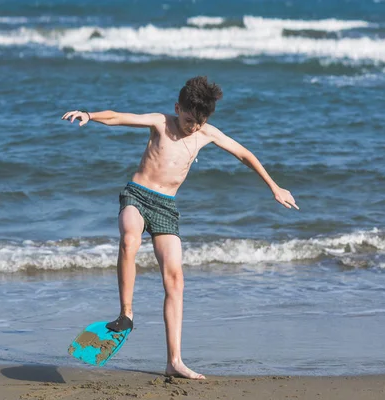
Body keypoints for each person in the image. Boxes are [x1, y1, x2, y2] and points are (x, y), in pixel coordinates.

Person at [61, 76, 298, 380]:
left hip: (166, 207)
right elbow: (119, 117)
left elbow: (244, 154)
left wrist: (274, 187)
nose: (192, 128)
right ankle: (126, 315)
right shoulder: (161, 122)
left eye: (198, 124)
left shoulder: (206, 133)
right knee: (129, 238)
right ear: (177, 108)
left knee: (175, 280)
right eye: (188, 120)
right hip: (137, 195)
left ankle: (174, 360)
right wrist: (90, 116)